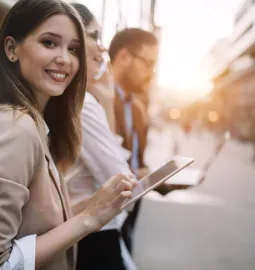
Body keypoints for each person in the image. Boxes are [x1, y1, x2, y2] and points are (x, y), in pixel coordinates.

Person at [0, 1, 136, 269]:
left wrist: (90, 207)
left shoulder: (36, 124)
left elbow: (26, 228)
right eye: (49, 43)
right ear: (11, 49)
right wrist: (88, 219)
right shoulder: (12, 128)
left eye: (73, 49)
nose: (65, 58)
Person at [65, 4, 139, 270]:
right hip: (92, 237)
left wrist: (106, 101)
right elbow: (122, 182)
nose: (101, 47)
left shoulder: (84, 101)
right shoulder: (81, 103)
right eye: (94, 36)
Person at [108, 28, 159, 253]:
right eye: (148, 63)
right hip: (106, 220)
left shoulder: (137, 108)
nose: (151, 73)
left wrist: (158, 179)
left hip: (131, 209)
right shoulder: (98, 103)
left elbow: (138, 159)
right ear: (123, 57)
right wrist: (136, 174)